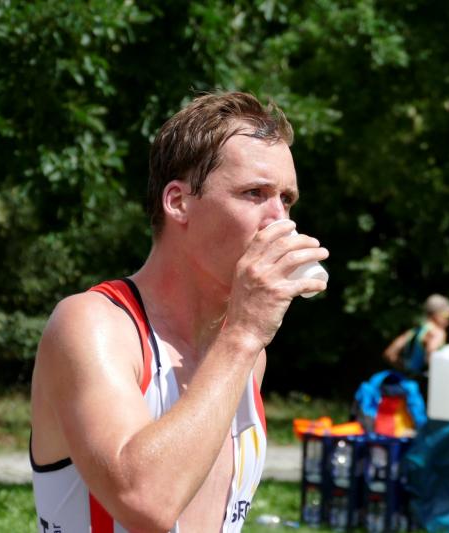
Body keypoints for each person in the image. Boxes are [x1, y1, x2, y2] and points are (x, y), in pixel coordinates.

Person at [29, 92, 328, 533]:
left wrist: (242, 340)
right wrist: (244, 335)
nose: (280, 221)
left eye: (286, 199)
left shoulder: (245, 355)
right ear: (178, 202)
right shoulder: (94, 326)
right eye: (254, 193)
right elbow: (145, 503)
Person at [382, 293, 449, 377]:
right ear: (435, 315)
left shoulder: (413, 332)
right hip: (425, 381)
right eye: (447, 316)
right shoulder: (438, 333)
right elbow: (431, 353)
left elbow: (389, 353)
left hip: (409, 380)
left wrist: (406, 370)